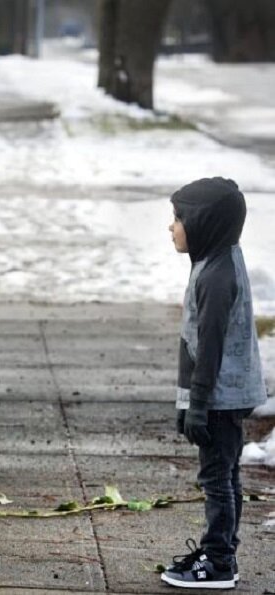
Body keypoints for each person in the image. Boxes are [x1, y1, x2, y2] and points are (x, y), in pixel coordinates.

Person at [160, 178, 267, 590]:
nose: (171, 227)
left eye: (178, 218)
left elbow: (210, 348)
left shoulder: (217, 275)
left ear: (203, 223)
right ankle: (220, 553)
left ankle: (219, 561)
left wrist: (199, 403)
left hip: (220, 397)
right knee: (225, 475)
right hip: (218, 395)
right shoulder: (216, 260)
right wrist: (189, 402)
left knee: (217, 479)